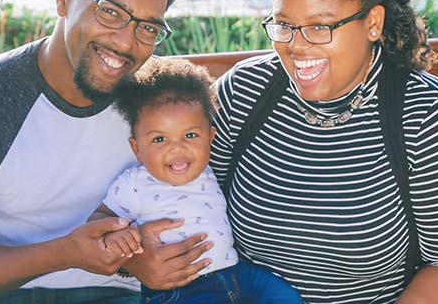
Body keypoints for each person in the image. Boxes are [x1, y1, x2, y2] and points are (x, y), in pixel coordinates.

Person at [206, 0, 438, 304]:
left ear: (373, 23)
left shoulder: (428, 115)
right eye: (284, 24)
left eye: (320, 26)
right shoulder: (244, 93)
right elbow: (190, 200)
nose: (296, 45)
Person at [0, 0, 210, 302]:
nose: (126, 43)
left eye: (147, 27)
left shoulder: (158, 104)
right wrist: (63, 254)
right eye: (110, 11)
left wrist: (135, 262)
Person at [89, 57, 304, 304]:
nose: (177, 149)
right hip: (181, 288)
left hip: (235, 274)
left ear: (210, 137)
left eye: (190, 135)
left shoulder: (208, 170)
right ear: (137, 148)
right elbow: (100, 219)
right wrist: (119, 236)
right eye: (159, 139)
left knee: (282, 295)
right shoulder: (135, 184)